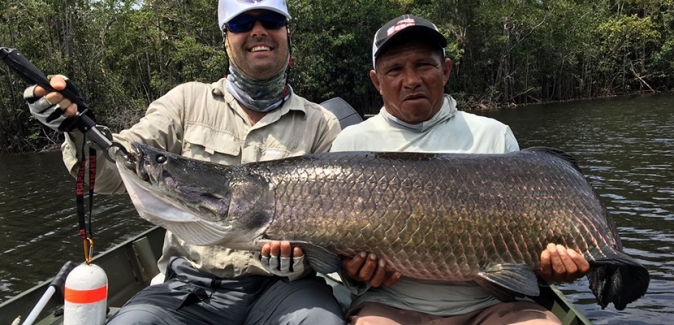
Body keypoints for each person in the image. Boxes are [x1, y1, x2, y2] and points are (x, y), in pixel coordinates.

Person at [25, 1, 345, 324]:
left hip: (284, 289)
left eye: (271, 20)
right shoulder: (185, 102)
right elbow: (113, 169)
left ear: (287, 32)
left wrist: (303, 260)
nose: (258, 30)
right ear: (225, 38)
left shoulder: (322, 124)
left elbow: (336, 237)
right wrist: (78, 126)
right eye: (242, 23)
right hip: (190, 286)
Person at [330, 15, 591, 325]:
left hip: (492, 306)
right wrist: (352, 273)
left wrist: (548, 268)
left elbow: (523, 245)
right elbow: (336, 255)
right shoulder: (351, 143)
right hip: (389, 307)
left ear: (446, 70)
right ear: (377, 81)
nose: (411, 79)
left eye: (423, 65)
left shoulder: (493, 135)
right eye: (395, 69)